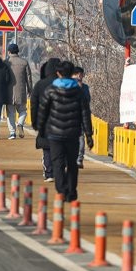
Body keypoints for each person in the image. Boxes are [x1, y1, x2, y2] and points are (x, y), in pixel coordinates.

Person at [35, 60, 93, 202]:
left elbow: (43, 112)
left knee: (57, 162)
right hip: (73, 134)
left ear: (58, 73)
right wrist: (89, 135)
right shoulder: (79, 92)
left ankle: (61, 189)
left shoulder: (51, 90)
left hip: (54, 134)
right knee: (72, 164)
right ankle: (71, 192)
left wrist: (41, 129)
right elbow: (85, 114)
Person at [30, 58, 60, 182]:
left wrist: (34, 122)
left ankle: (49, 173)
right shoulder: (63, 84)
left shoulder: (40, 85)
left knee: (47, 148)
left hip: (44, 120)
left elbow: (33, 104)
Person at [5, 43, 33, 140]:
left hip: (8, 92)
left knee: (10, 113)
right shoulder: (24, 62)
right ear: (18, 51)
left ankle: (12, 133)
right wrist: (30, 90)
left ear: (9, 52)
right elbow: (29, 78)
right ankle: (20, 123)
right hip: (21, 91)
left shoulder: (6, 63)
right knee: (23, 111)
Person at [74, 66, 91, 167]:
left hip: (80, 116)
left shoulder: (85, 87)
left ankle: (79, 159)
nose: (79, 76)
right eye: (77, 74)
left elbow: (87, 101)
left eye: (80, 74)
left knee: (81, 138)